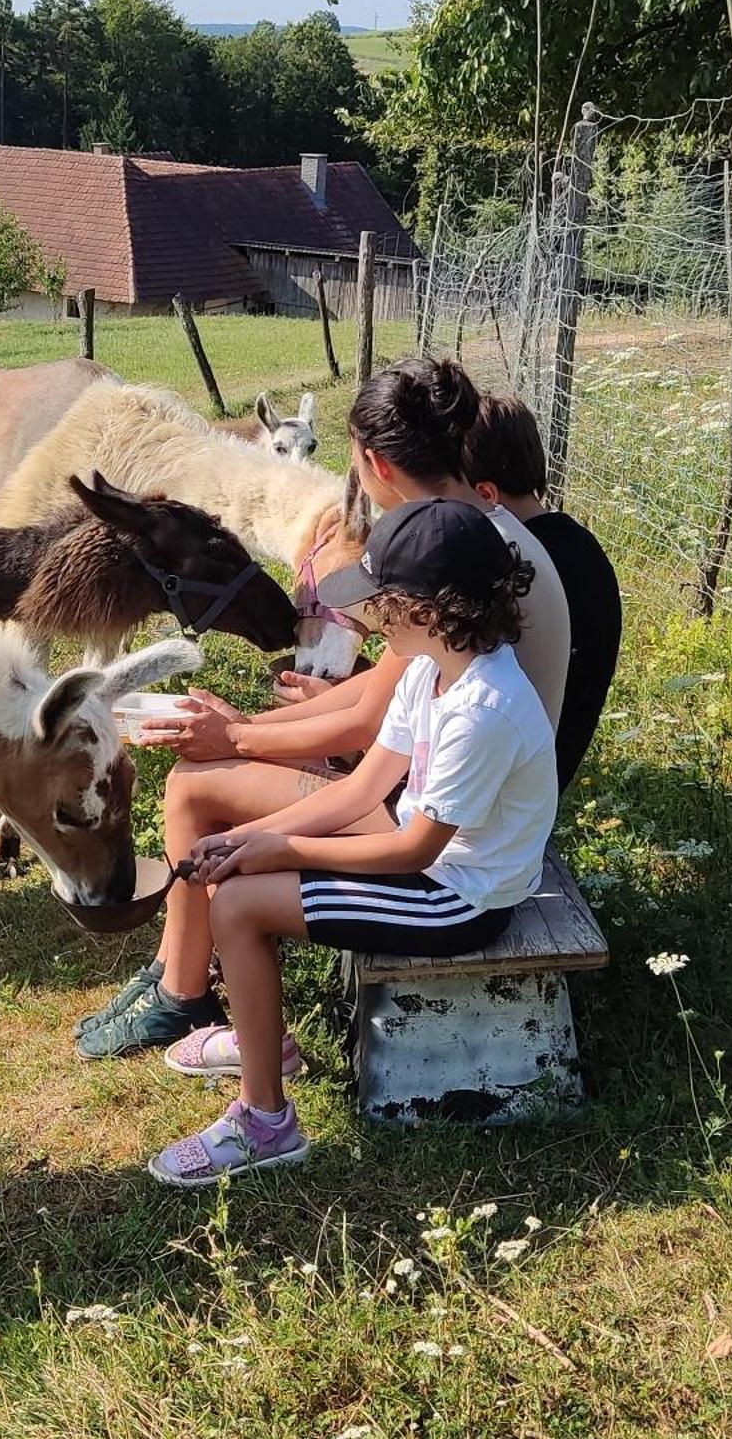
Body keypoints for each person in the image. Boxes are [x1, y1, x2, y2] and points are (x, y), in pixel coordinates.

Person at [74, 357, 570, 1060]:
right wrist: (246, 734)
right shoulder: (469, 538)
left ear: (371, 463)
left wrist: (238, 736)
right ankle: (178, 976)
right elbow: (378, 705)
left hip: (445, 818)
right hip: (450, 793)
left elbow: (365, 723)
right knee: (216, 783)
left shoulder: (439, 561)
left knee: (197, 785)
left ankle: (183, 996)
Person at [144, 498, 555, 1184]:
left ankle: (265, 1121)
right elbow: (362, 790)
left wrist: (287, 851)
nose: (367, 617)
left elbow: (413, 852)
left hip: (460, 899)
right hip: (426, 859)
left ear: (426, 609)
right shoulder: (429, 669)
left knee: (239, 907)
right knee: (237, 880)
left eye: (378, 601)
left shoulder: (484, 709)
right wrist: (251, 835)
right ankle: (259, 1049)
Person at [460, 393, 621, 793]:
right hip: (550, 769)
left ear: (485, 494)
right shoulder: (582, 545)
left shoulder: (514, 565)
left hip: (504, 786)